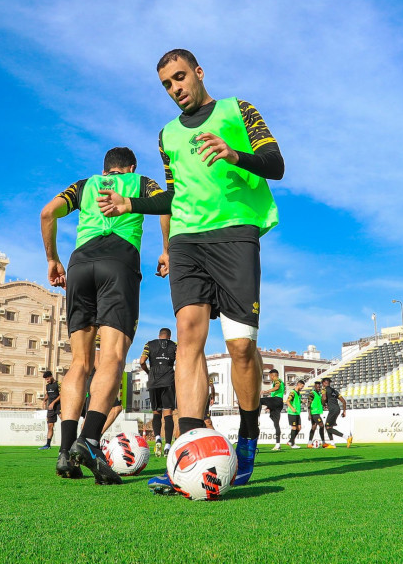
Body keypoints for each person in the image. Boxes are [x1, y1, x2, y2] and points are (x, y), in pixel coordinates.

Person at [97, 48, 283, 493]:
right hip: (186, 241)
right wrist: (132, 204)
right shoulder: (166, 135)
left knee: (240, 348)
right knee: (188, 342)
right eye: (167, 84)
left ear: (198, 73)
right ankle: (189, 449)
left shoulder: (239, 109)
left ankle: (250, 435)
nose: (175, 88)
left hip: (235, 234)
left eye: (180, 77)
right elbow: (174, 194)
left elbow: (275, 165)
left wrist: (234, 154)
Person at [40, 146, 162, 483]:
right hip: (118, 263)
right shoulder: (142, 182)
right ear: (131, 167)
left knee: (80, 362)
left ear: (105, 169)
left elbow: (47, 213)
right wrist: (166, 249)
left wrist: (53, 259)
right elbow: (164, 206)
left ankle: (65, 453)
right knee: (112, 356)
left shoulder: (84, 185)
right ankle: (90, 440)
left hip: (80, 265)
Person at [141, 329, 177, 456]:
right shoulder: (174, 345)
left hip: (154, 382)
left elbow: (141, 361)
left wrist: (149, 372)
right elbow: (181, 363)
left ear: (159, 336)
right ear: (169, 336)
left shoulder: (149, 344)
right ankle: (168, 446)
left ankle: (157, 439)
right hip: (168, 382)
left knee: (156, 412)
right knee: (168, 414)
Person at [260, 369, 285, 451]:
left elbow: (277, 387)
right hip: (279, 403)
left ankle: (257, 418)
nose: (270, 377)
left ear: (272, 375)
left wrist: (266, 391)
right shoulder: (280, 381)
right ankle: (278, 444)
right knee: (276, 423)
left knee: (259, 401)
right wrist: (270, 406)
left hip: (276, 400)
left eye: (270, 376)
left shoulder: (277, 380)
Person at [320, 377, 348, 448]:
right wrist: (344, 411)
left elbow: (324, 398)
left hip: (332, 410)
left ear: (323, 383)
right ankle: (332, 444)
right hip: (337, 409)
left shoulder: (324, 389)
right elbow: (344, 401)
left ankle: (346, 437)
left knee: (327, 427)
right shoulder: (335, 391)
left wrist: (323, 404)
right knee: (329, 426)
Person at [40, 370, 61, 450]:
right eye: (46, 380)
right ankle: (48, 445)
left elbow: (61, 395)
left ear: (51, 376)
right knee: (50, 426)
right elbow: (48, 394)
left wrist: (54, 403)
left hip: (59, 406)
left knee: (65, 422)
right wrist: (44, 400)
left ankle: (67, 443)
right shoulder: (47, 386)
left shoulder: (58, 384)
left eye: (48, 379)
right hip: (50, 408)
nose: (47, 380)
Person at [285, 379, 304, 448]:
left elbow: (296, 401)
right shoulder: (292, 392)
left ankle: (290, 441)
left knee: (299, 428)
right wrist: (292, 408)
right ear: (298, 385)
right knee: (294, 428)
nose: (302, 388)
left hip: (297, 413)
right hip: (292, 413)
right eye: (302, 386)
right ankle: (292, 444)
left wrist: (302, 401)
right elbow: (287, 401)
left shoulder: (298, 393)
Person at [307, 381, 326, 448]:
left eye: (319, 387)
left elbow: (320, 402)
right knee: (321, 425)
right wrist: (309, 414)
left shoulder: (319, 394)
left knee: (314, 427)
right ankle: (323, 442)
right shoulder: (312, 393)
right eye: (317, 387)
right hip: (314, 413)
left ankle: (309, 443)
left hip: (317, 413)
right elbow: (309, 403)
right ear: (315, 386)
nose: (318, 388)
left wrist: (324, 406)